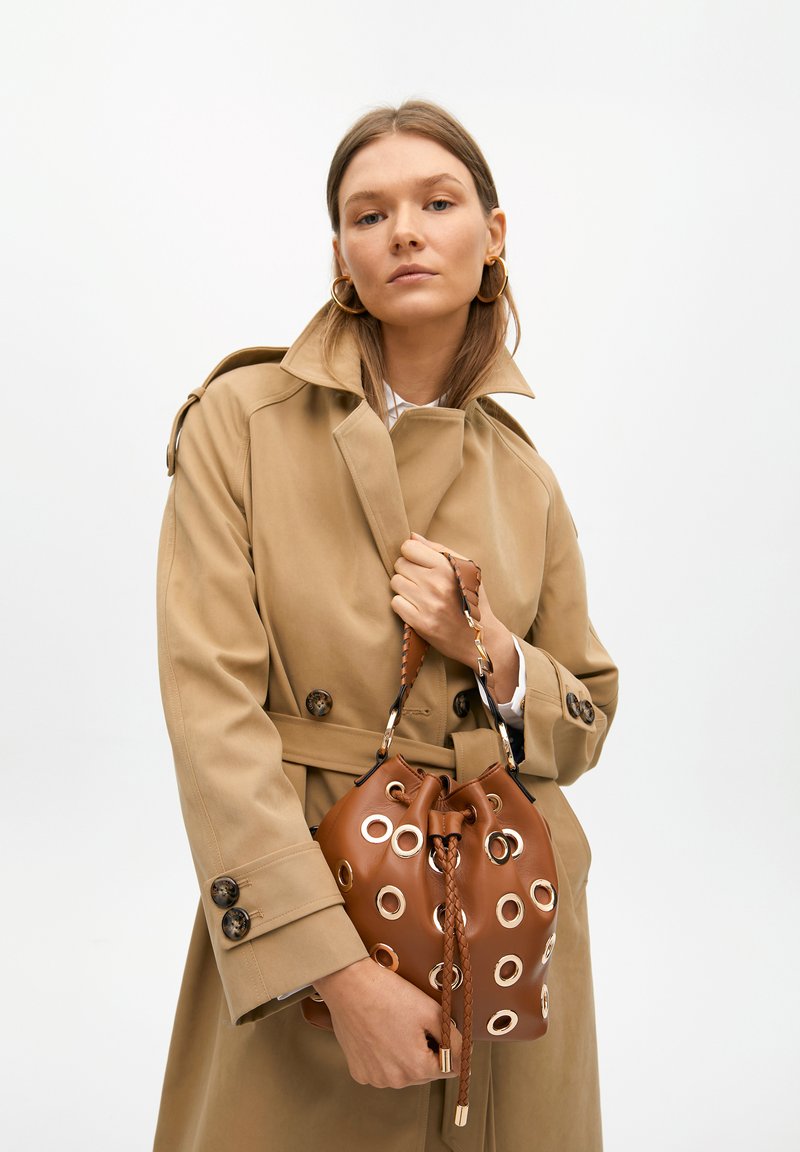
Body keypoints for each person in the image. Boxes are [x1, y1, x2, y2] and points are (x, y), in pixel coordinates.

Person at [154, 100, 618, 1152]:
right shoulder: (242, 424)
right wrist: (338, 972)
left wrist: (494, 652)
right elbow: (211, 717)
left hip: (508, 934)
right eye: (369, 213)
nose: (403, 230)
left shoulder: (523, 477)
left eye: (435, 202)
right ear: (339, 255)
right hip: (311, 912)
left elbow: (584, 720)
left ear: (490, 236)